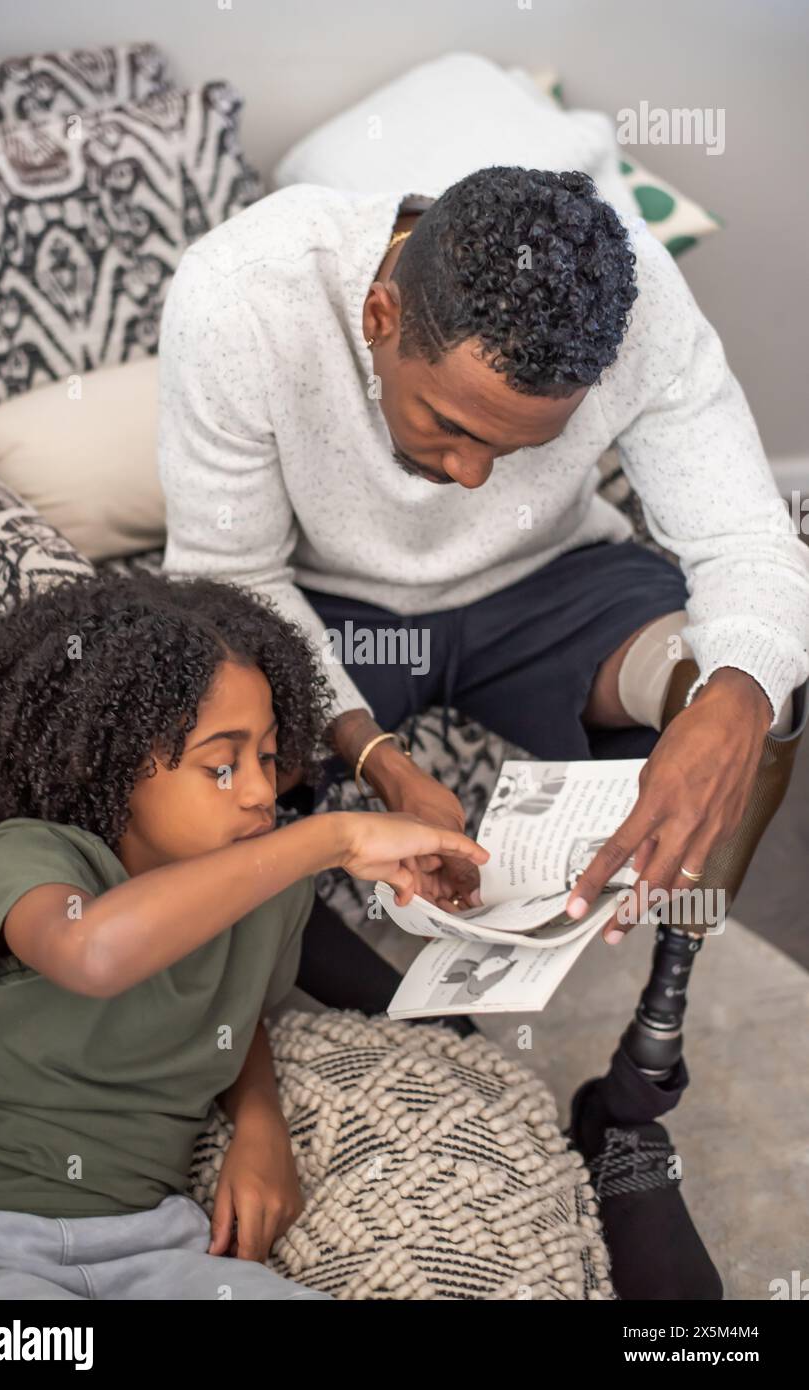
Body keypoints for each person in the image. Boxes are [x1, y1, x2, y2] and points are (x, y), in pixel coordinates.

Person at [157, 164, 809, 1298]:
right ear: (381, 314)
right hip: (324, 608)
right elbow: (231, 578)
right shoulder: (240, 292)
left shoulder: (633, 299)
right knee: (194, 751)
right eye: (450, 427)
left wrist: (736, 697)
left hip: (553, 588)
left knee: (769, 694)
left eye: (513, 447)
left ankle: (637, 1089)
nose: (467, 477)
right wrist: (374, 757)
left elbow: (751, 542)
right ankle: (442, 1045)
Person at [0, 572, 486, 1300]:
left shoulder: (269, 889)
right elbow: (93, 954)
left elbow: (230, 1015)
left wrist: (260, 1127)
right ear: (100, 762)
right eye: (221, 764)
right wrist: (333, 836)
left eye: (266, 755)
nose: (262, 791)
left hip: (160, 1247)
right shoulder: (32, 857)